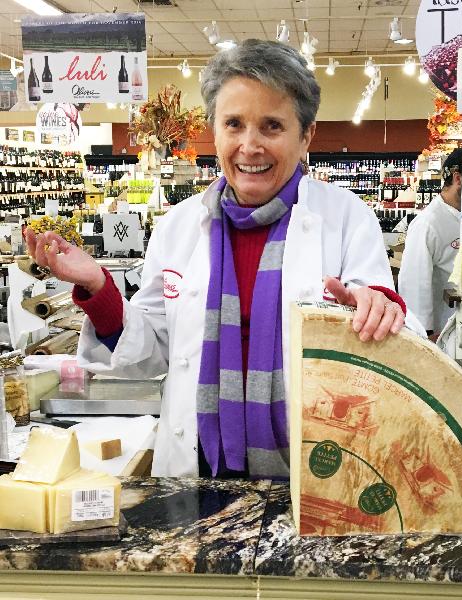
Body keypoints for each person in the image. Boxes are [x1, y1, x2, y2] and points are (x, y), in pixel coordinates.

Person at [26, 40, 421, 479]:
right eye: (234, 124)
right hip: (199, 469)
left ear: (306, 135)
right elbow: (155, 352)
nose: (249, 146)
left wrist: (380, 308)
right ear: (215, 130)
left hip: (317, 473)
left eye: (272, 126)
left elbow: (391, 330)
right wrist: (100, 289)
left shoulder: (346, 220)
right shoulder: (180, 227)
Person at [398, 148, 462, 341]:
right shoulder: (428, 223)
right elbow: (414, 282)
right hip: (440, 331)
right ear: (458, 178)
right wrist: (422, 332)